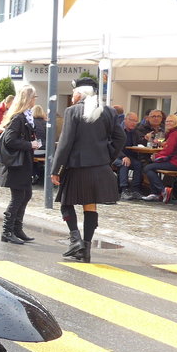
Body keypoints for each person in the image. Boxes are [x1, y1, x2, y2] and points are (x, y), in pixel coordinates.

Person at [51, 78, 125, 262]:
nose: (73, 97)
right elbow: (120, 138)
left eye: (74, 93)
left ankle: (75, 240)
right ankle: (86, 248)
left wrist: (57, 169)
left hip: (78, 168)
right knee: (90, 206)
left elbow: (65, 143)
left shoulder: (73, 111)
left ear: (79, 93)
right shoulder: (108, 111)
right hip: (100, 168)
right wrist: (107, 157)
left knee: (66, 204)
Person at [0, 86, 41, 244]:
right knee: (18, 197)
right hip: (15, 165)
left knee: (26, 194)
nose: (36, 99)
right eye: (34, 96)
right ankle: (7, 231)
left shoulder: (26, 117)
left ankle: (17, 228)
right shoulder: (18, 118)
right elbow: (10, 140)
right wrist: (30, 145)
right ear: (28, 99)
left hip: (23, 164)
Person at [140, 114, 177, 201]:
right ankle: (155, 193)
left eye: (171, 121)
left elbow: (168, 151)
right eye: (167, 121)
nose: (168, 123)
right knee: (151, 166)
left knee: (148, 167)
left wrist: (156, 156)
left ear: (176, 122)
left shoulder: (174, 134)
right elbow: (172, 147)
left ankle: (162, 190)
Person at [116, 111, 144, 199]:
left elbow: (140, 142)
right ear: (125, 120)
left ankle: (135, 189)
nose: (134, 123)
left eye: (136, 121)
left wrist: (146, 139)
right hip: (115, 156)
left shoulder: (135, 132)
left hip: (130, 156)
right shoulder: (118, 130)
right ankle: (124, 189)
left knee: (138, 164)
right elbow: (114, 146)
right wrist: (123, 156)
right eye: (131, 120)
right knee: (124, 163)